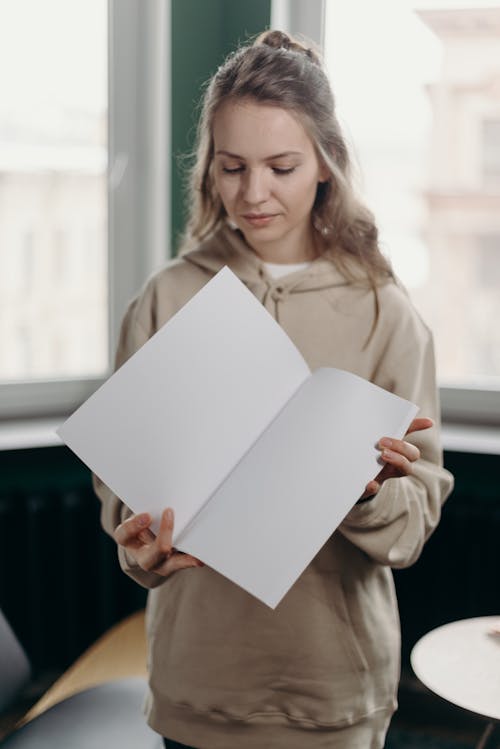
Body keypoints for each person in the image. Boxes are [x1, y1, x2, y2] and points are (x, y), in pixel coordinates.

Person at [94, 30, 454, 749]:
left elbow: (416, 521)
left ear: (325, 163)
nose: (253, 194)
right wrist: (140, 550)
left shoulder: (386, 310)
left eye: (281, 166)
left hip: (334, 696)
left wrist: (368, 491)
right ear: (211, 170)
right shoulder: (166, 300)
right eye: (232, 168)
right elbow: (124, 500)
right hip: (198, 689)